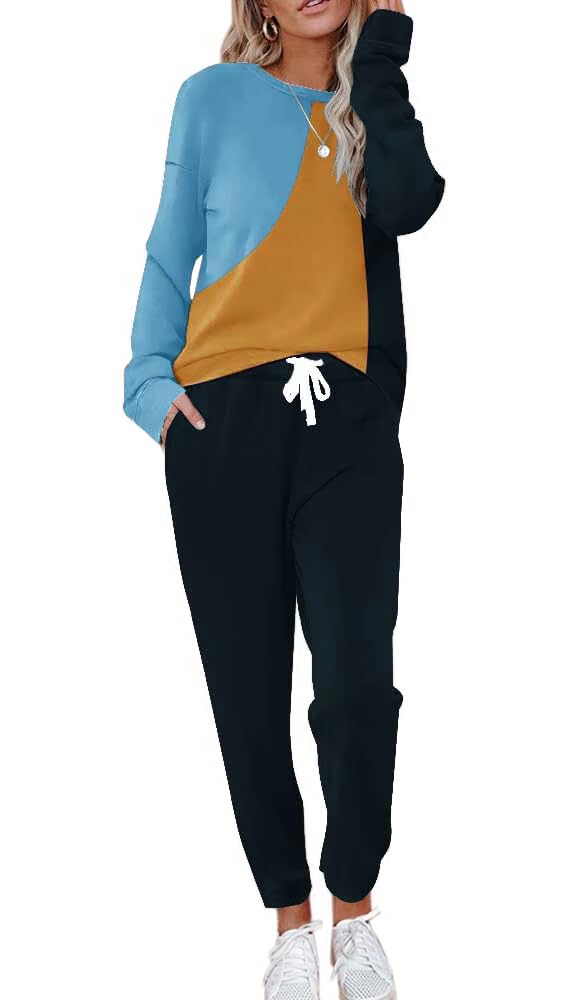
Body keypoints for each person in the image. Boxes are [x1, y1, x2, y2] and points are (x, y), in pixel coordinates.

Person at [123, 1, 444, 997]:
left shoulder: (369, 102)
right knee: (247, 688)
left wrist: (382, 54)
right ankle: (290, 929)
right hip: (220, 417)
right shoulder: (210, 98)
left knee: (356, 684)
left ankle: (355, 909)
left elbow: (410, 201)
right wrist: (149, 386)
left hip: (346, 419)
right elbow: (170, 245)